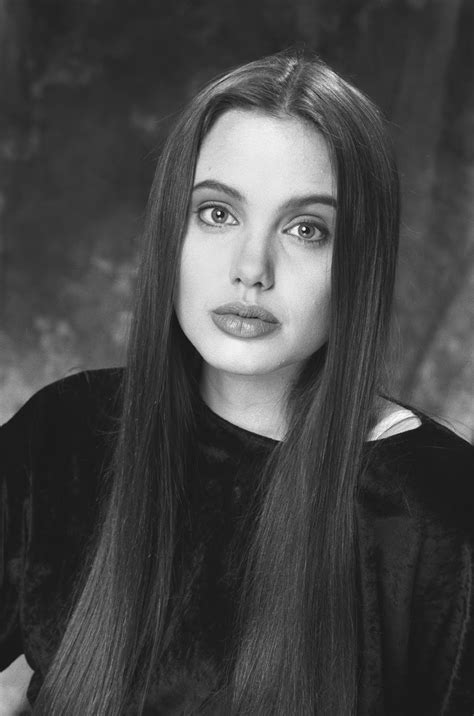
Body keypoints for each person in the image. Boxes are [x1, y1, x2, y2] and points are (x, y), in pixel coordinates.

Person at [0, 49, 473, 716]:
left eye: (307, 229)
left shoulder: (440, 509)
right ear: (173, 231)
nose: (252, 268)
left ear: (359, 263)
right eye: (218, 214)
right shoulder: (67, 432)